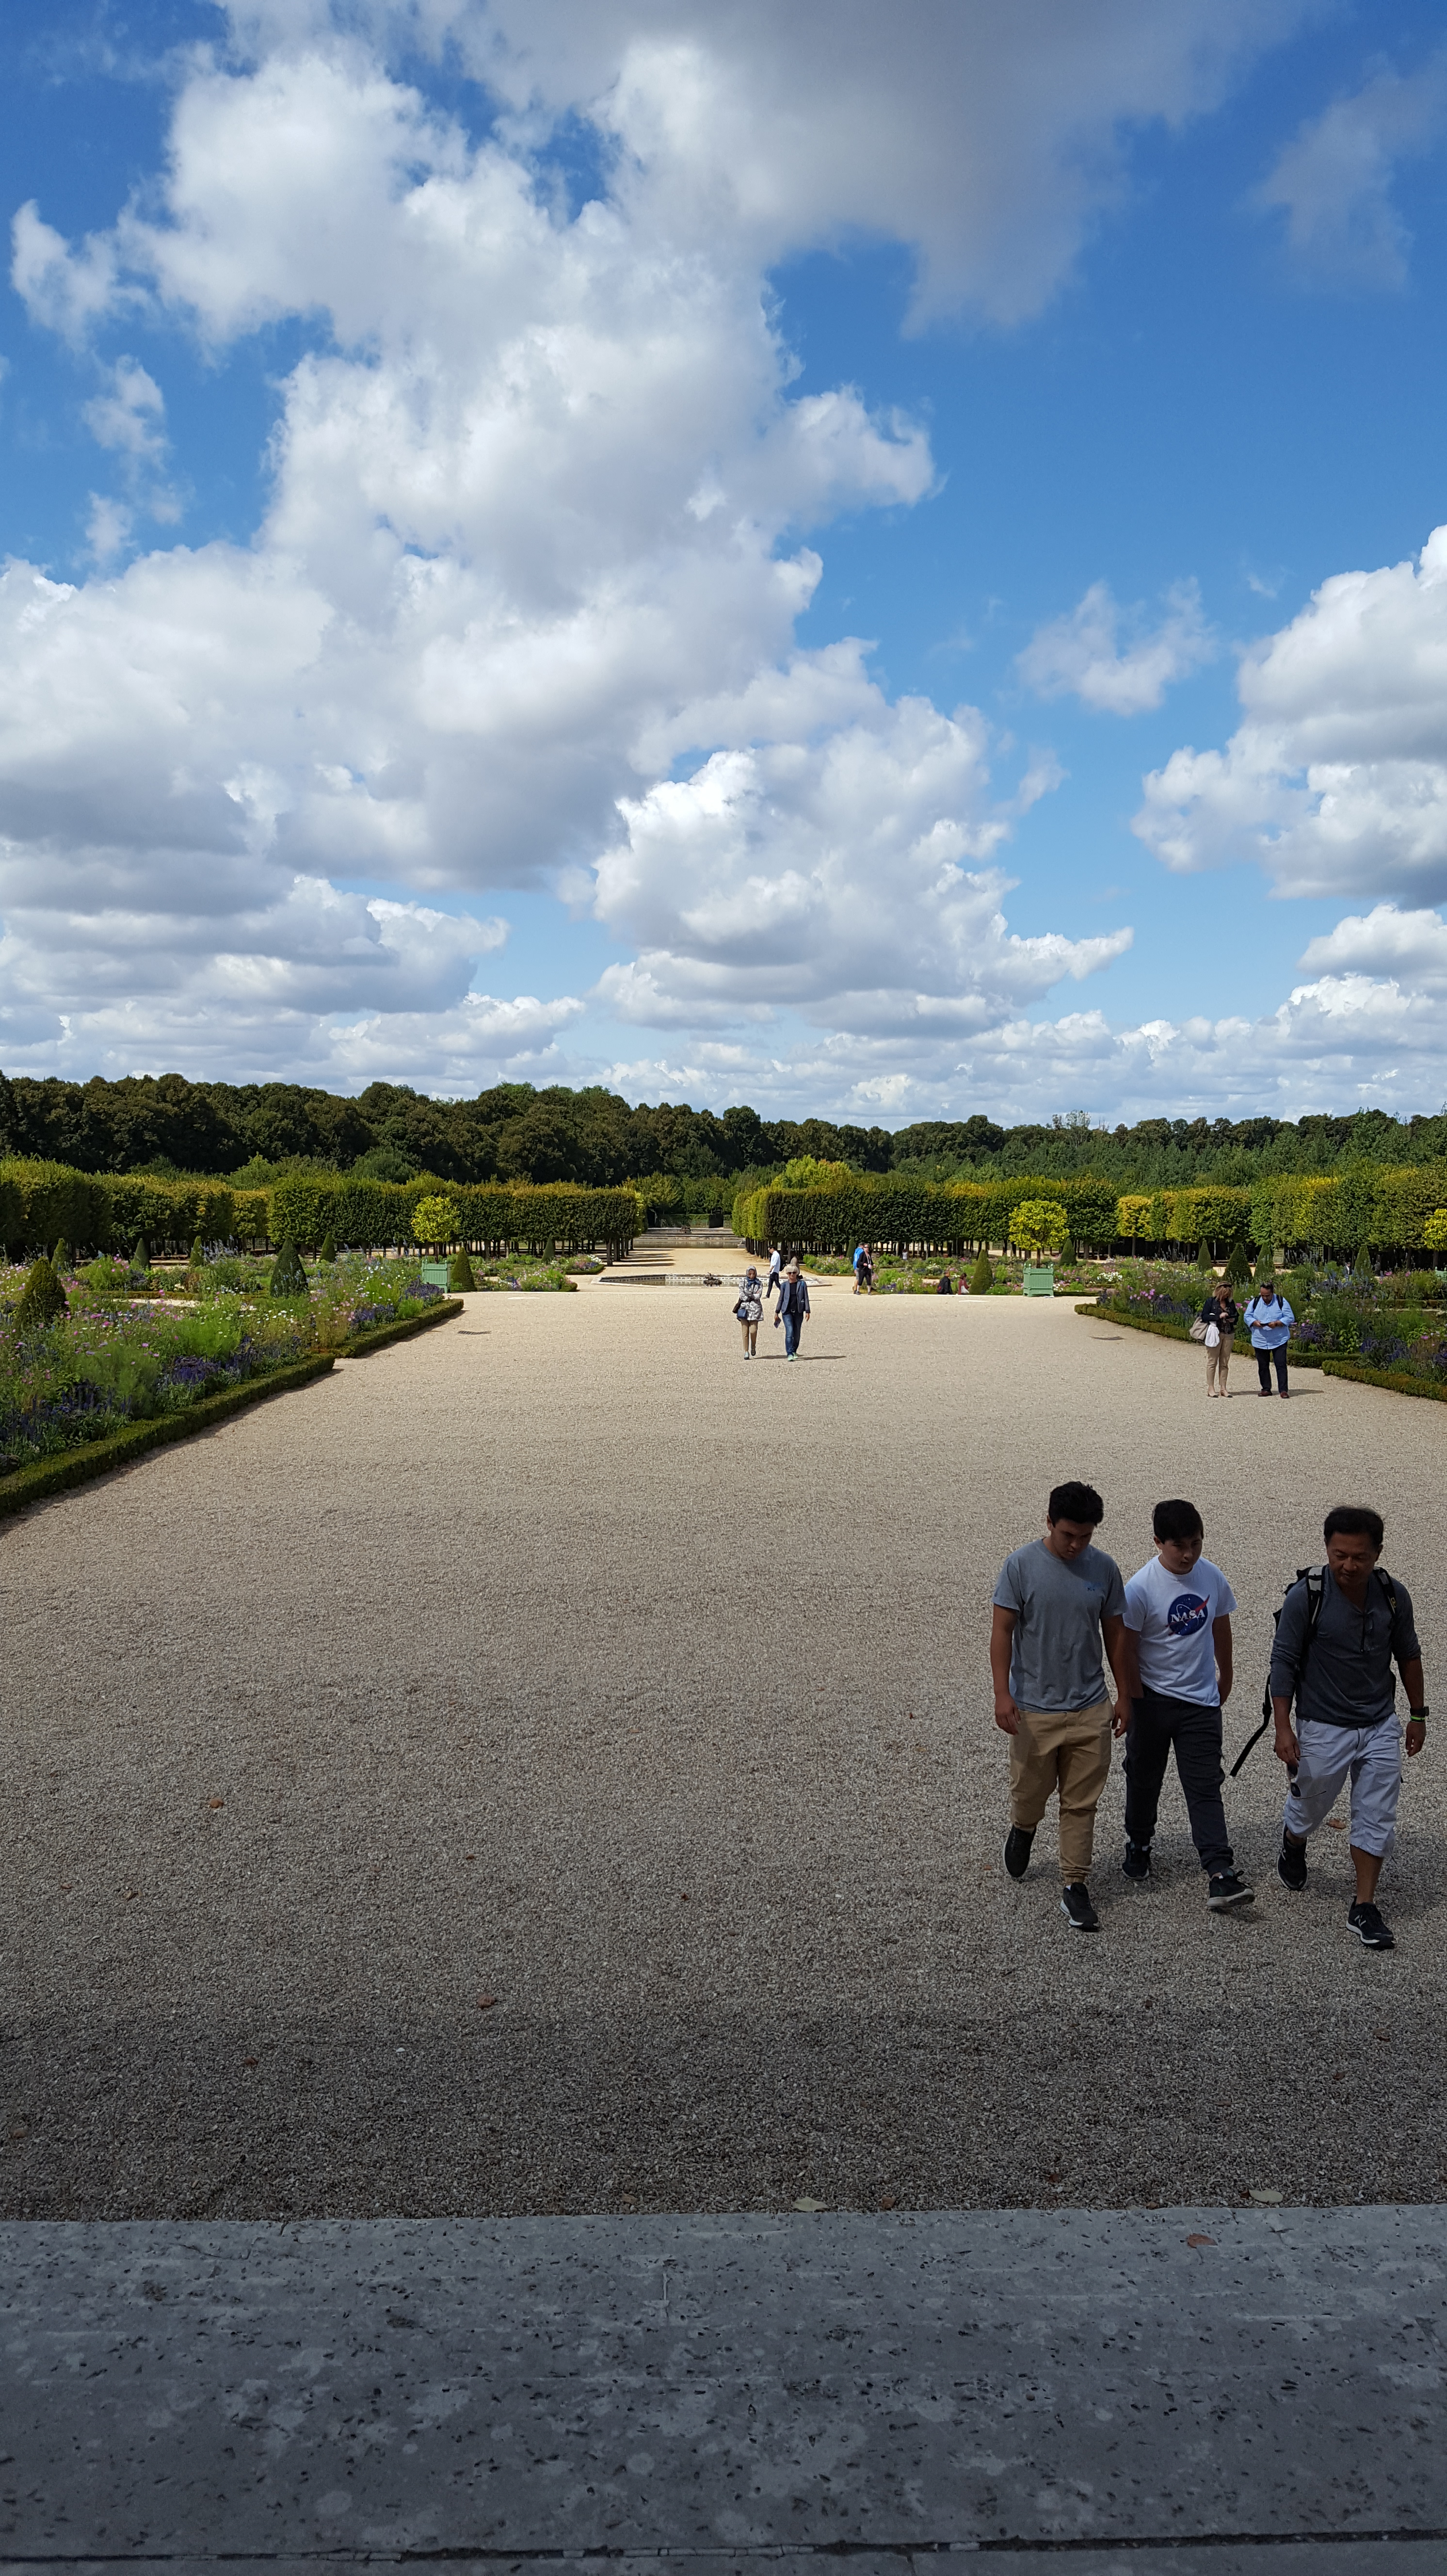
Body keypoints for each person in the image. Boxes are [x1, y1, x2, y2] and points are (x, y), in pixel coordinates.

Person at [1271, 1505, 1427, 1950]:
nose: (1349, 1565)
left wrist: (1418, 1715)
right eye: (1339, 1555)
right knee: (1311, 1806)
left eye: (1360, 1556)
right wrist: (1283, 1727)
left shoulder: (1393, 1595)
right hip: (1323, 1724)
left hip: (1380, 1724)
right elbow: (1283, 1661)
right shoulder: (1307, 1596)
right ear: (1327, 1549)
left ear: (1378, 1553)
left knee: (1377, 1814)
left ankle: (1364, 1906)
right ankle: (1294, 1839)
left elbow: (1409, 1655)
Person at [991, 1481, 1130, 1932]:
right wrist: (1002, 1694)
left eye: (1085, 1537)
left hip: (1091, 1707)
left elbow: (1116, 1634)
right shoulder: (1020, 1566)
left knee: (1081, 1804)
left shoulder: (1104, 1569)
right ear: (1049, 1522)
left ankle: (1075, 1884)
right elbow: (1002, 1631)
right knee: (1030, 1792)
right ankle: (1024, 1827)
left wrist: (1125, 1694)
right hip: (1034, 1709)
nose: (1076, 1545)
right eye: (1068, 1534)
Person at [1120, 1500, 1252, 1911]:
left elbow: (1221, 1625)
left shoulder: (1212, 1576)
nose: (1189, 1554)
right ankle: (1139, 1842)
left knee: (1205, 1785)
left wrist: (1226, 1674)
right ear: (1158, 1542)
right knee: (1144, 1778)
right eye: (1179, 1546)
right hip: (1152, 1700)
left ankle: (1219, 1871)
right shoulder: (1140, 1588)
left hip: (1200, 1703)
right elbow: (1126, 1649)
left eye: (1196, 1543)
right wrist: (1131, 1699)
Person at [1244, 1278, 1294, 1398]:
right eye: (1263, 1295)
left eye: (1267, 1296)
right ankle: (1266, 1389)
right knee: (1263, 1366)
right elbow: (1247, 1316)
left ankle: (1283, 1390)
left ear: (1272, 1293)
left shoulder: (1281, 1301)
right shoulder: (1255, 1302)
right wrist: (1254, 1322)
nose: (1265, 1298)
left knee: (1281, 1365)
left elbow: (1290, 1317)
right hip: (1260, 1340)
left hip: (1279, 1339)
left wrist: (1277, 1323)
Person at [1199, 1281, 1239, 1399]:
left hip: (1229, 1333)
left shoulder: (1230, 1303)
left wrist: (1233, 1319)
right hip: (1215, 1333)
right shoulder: (1211, 1302)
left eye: (1228, 1294)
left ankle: (1223, 1388)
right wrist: (1218, 1317)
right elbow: (1204, 1317)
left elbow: (1236, 1316)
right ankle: (1211, 1388)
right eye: (1224, 1294)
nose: (1226, 1297)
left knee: (1225, 1363)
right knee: (1212, 1362)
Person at [773, 1258, 810, 1361]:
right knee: (790, 1332)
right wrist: (777, 1312)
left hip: (799, 1312)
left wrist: (808, 1311)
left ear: (797, 1273)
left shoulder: (802, 1284)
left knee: (797, 1333)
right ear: (787, 1274)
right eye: (790, 1273)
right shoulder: (784, 1286)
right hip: (787, 1312)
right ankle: (789, 1353)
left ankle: (794, 1350)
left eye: (794, 1273)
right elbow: (781, 1299)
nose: (792, 1275)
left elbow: (806, 1298)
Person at [734, 1265, 763, 1357]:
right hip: (744, 1309)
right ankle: (746, 1351)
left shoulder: (759, 1283)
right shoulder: (743, 1282)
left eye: (753, 1274)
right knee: (745, 1332)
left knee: (753, 1331)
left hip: (755, 1310)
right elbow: (742, 1295)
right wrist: (751, 1296)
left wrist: (750, 1296)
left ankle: (753, 1346)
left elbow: (758, 1295)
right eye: (750, 1274)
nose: (752, 1276)